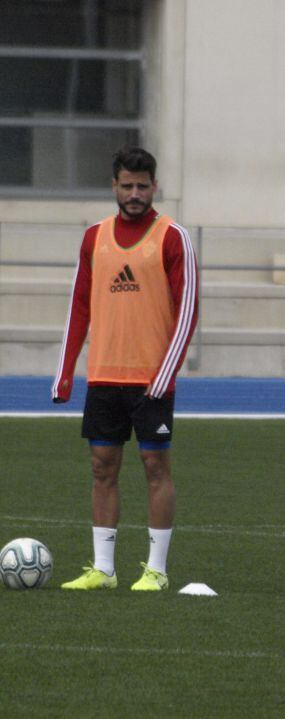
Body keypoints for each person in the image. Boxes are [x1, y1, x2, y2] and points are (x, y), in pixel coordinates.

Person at [51, 146, 199, 592]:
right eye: (127, 185)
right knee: (102, 467)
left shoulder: (173, 237)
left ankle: (155, 570)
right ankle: (103, 569)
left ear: (155, 187)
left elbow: (189, 308)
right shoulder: (94, 237)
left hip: (152, 379)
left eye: (142, 186)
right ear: (114, 186)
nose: (135, 194)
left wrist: (166, 371)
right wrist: (66, 371)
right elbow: (79, 305)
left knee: (155, 467)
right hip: (104, 375)